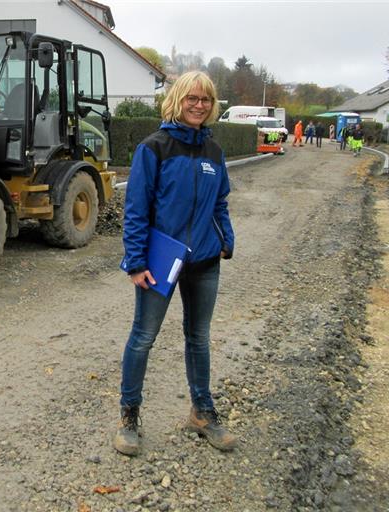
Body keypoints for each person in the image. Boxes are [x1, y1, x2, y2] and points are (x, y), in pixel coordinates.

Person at [114, 71, 236, 456]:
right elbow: (135, 211)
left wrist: (225, 242)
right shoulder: (154, 148)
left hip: (203, 262)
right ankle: (129, 417)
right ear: (177, 100)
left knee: (198, 338)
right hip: (160, 263)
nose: (199, 105)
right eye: (192, 98)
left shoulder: (215, 152)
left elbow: (220, 202)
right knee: (143, 338)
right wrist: (135, 262)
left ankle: (202, 412)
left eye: (206, 99)